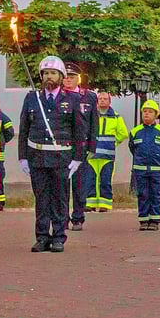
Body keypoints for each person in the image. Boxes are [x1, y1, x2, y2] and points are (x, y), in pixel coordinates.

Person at [19, 55, 84, 253]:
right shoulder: (32, 98)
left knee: (59, 199)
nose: (49, 77)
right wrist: (22, 157)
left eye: (53, 73)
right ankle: (41, 237)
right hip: (37, 157)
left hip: (61, 158)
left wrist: (78, 158)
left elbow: (79, 131)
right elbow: (24, 128)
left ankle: (58, 236)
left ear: (61, 76)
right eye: (45, 73)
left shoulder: (72, 99)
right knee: (41, 200)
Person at [63, 62, 97, 231]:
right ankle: (62, 218)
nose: (68, 80)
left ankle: (78, 217)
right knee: (62, 185)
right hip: (62, 147)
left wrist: (92, 145)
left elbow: (93, 123)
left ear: (79, 79)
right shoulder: (59, 96)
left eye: (72, 77)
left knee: (79, 185)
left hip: (81, 147)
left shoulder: (89, 97)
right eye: (66, 77)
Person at [129, 100, 160, 231]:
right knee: (142, 194)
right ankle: (143, 220)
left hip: (157, 170)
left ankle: (154, 220)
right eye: (145, 112)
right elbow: (132, 148)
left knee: (155, 194)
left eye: (150, 112)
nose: (147, 114)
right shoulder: (135, 131)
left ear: (156, 115)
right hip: (140, 169)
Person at [86, 91, 128, 212]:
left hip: (107, 155)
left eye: (105, 99)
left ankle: (105, 204)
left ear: (110, 101)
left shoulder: (116, 116)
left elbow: (123, 133)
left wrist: (113, 143)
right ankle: (90, 203)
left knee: (105, 180)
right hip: (91, 154)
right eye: (100, 98)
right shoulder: (91, 115)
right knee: (90, 180)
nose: (102, 100)